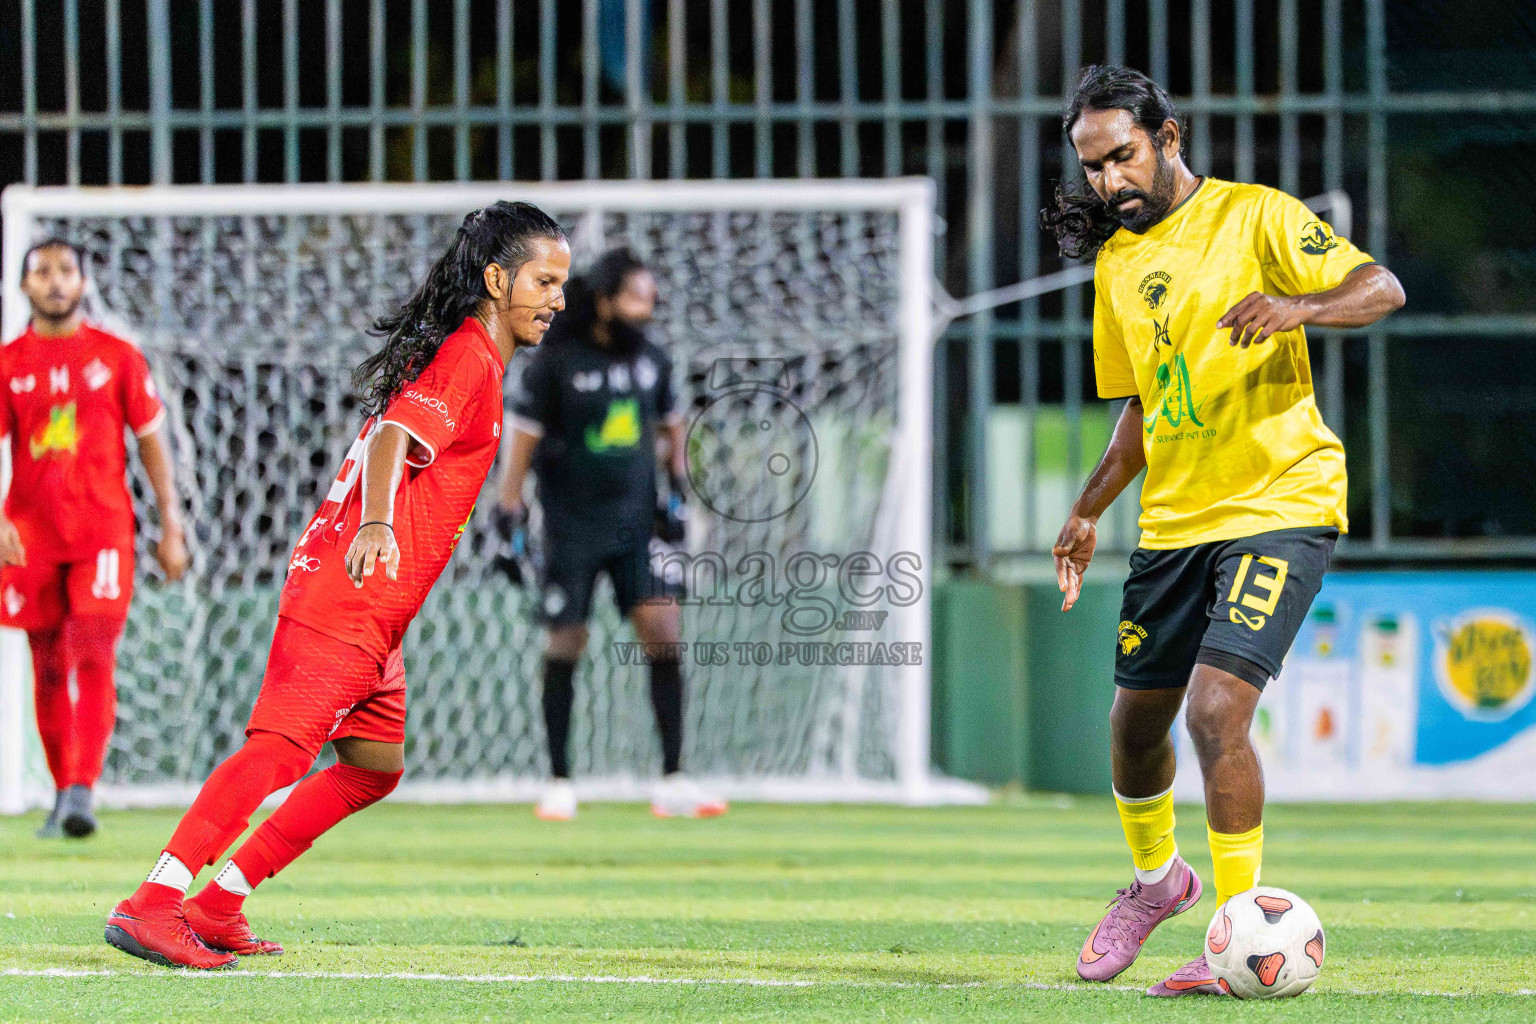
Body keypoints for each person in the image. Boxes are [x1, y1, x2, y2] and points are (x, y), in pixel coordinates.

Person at [103, 201, 570, 970]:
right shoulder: (469, 357)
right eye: (543, 280)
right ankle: (154, 902)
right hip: (352, 593)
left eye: (562, 282)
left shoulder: (473, 357)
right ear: (496, 279)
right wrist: (377, 525)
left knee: (372, 768)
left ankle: (219, 903)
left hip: (369, 609)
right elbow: (393, 438)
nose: (557, 298)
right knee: (279, 754)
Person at [1040, 65, 1405, 997]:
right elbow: (1138, 413)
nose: (1108, 182)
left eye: (1122, 156)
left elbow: (1380, 287)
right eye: (1092, 168)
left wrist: (1300, 306)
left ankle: (1235, 937)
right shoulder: (1119, 266)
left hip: (1282, 502)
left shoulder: (1259, 218)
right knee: (1133, 729)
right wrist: (1086, 508)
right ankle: (1159, 882)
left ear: (1170, 136)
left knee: (1213, 713)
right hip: (1175, 521)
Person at [496, 247, 724, 821]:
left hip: (636, 525)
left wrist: (679, 496)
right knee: (565, 641)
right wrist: (507, 513)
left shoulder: (652, 360)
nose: (646, 310)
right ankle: (558, 779)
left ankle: (673, 776)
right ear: (603, 301)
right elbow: (521, 439)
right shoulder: (555, 362)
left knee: (663, 631)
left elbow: (674, 429)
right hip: (570, 526)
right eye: (635, 297)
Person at [0, 239, 188, 840]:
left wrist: (171, 523)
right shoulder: (9, 363)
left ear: (83, 283)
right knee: (48, 665)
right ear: (24, 285)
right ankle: (65, 796)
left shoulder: (118, 357)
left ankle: (81, 789)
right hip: (29, 535)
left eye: (66, 271)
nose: (55, 282)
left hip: (104, 532)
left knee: (91, 649)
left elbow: (152, 441)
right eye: (42, 272)